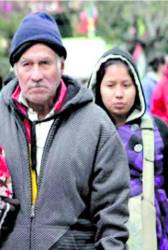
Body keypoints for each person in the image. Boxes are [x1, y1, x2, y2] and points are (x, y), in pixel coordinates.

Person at [0, 12, 130, 249]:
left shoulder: (95, 124)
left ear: (61, 65)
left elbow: (112, 217)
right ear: (15, 69)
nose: (36, 75)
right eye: (27, 64)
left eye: (45, 63)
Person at [88, 47, 168, 250]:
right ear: (97, 87)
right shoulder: (87, 133)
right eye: (110, 85)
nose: (119, 94)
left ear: (137, 86)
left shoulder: (156, 130)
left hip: (154, 236)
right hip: (103, 238)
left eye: (126, 85)